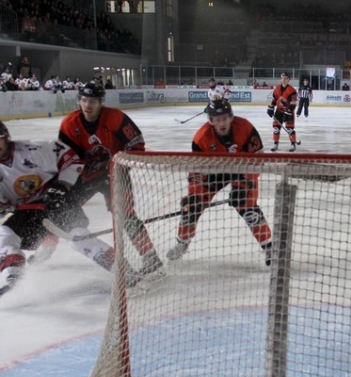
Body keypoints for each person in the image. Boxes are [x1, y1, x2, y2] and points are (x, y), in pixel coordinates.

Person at [0, 121, 130, 296]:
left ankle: (126, 272)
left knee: (79, 238)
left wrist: (60, 187)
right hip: (29, 212)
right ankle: (12, 277)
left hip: (59, 203)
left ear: (6, 137)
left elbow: (73, 160)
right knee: (4, 235)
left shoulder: (35, 149)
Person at [57, 82, 163, 276]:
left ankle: (150, 256)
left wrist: (123, 164)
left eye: (93, 101)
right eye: (84, 100)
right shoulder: (69, 124)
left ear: (101, 102)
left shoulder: (115, 118)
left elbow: (136, 143)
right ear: (79, 101)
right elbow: (66, 156)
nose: (88, 105)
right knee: (63, 210)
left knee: (125, 214)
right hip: (84, 177)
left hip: (115, 173)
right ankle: (47, 248)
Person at [165, 100, 273, 267]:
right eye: (216, 119)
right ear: (211, 120)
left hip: (241, 169)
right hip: (213, 173)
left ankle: (269, 248)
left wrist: (243, 186)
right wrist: (194, 195)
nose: (221, 123)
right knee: (191, 208)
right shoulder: (201, 138)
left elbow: (257, 160)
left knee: (247, 206)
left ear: (230, 117)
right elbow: (196, 171)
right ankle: (182, 243)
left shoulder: (245, 128)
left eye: (224, 118)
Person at [267, 72, 298, 152]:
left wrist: (288, 113)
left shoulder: (292, 90)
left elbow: (293, 104)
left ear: (288, 80)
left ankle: (293, 144)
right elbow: (274, 99)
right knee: (276, 128)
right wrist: (271, 107)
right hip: (279, 111)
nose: (283, 80)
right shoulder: (277, 88)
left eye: (285, 78)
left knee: (289, 129)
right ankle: (275, 144)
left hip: (289, 111)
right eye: (282, 78)